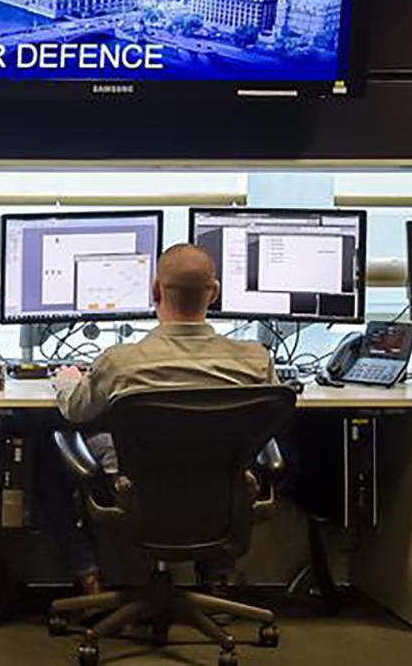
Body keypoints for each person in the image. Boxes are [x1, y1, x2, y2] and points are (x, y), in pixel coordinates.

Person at [43, 243, 277, 594]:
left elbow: (76, 410)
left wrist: (66, 382)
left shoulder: (120, 362)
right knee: (236, 455)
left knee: (47, 449)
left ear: (155, 290)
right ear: (214, 293)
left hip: (134, 492)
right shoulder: (255, 360)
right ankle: (217, 578)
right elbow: (271, 418)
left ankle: (88, 574)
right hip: (222, 496)